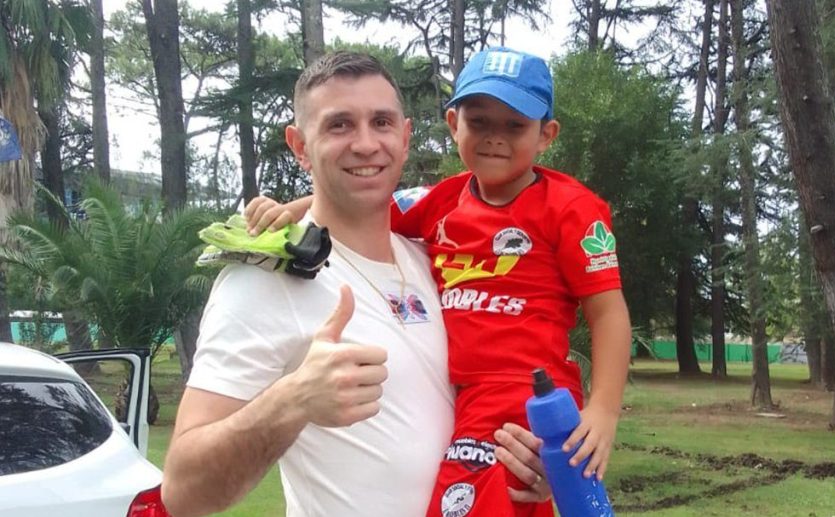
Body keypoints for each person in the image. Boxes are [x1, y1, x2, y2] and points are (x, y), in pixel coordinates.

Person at [246, 47, 632, 517]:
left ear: (546, 135)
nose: (495, 138)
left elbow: (607, 312)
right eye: (479, 122)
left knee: (461, 502)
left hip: (520, 391)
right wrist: (291, 210)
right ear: (453, 124)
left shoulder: (571, 208)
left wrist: (603, 410)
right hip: (466, 396)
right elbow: (360, 206)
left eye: (515, 125)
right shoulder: (441, 201)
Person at [160, 51, 549, 517]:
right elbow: (182, 492)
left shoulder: (439, 261)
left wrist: (530, 465)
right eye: (339, 125)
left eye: (381, 122)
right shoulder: (263, 279)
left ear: (404, 138)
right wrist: (293, 401)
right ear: (300, 145)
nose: (366, 144)